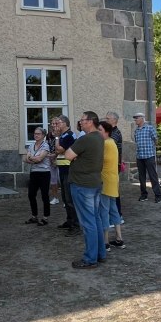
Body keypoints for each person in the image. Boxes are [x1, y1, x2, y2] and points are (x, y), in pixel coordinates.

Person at [64, 111, 106, 268]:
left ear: (90, 121)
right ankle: (100, 254)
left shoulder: (86, 139)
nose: (80, 122)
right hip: (94, 183)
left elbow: (67, 155)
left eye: (82, 120)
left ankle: (90, 259)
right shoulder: (99, 138)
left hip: (83, 185)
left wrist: (75, 156)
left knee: (88, 223)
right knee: (95, 219)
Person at [97, 121, 124, 249]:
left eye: (100, 130)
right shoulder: (112, 142)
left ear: (106, 132)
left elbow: (101, 161)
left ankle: (105, 241)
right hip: (113, 180)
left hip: (106, 180)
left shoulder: (106, 143)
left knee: (104, 210)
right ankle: (119, 238)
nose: (98, 132)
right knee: (113, 209)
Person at [54, 116, 79, 233]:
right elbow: (56, 149)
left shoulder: (69, 135)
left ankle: (75, 224)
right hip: (62, 168)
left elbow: (59, 150)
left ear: (65, 123)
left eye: (58, 123)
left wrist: (57, 137)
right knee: (64, 197)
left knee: (69, 198)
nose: (56, 125)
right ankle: (69, 220)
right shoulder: (64, 135)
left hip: (69, 169)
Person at [25, 126, 53, 225]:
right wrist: (34, 158)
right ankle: (34, 216)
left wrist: (31, 158)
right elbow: (25, 159)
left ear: (43, 135)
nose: (36, 135)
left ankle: (45, 217)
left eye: (38, 134)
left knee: (45, 195)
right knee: (31, 194)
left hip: (44, 173)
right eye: (35, 133)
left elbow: (39, 159)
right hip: (34, 173)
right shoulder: (31, 145)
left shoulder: (45, 146)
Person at [132, 112, 161, 203]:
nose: (135, 120)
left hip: (149, 156)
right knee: (141, 177)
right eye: (135, 118)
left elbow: (156, 140)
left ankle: (158, 196)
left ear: (142, 118)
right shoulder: (136, 131)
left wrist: (152, 149)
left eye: (137, 118)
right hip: (140, 156)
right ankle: (144, 195)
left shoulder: (149, 128)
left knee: (153, 176)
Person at [104, 111, 124, 219]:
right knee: (110, 191)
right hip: (111, 166)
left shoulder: (115, 133)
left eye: (108, 119)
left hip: (113, 166)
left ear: (114, 120)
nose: (105, 120)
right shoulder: (111, 132)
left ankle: (118, 216)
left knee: (113, 191)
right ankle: (114, 215)